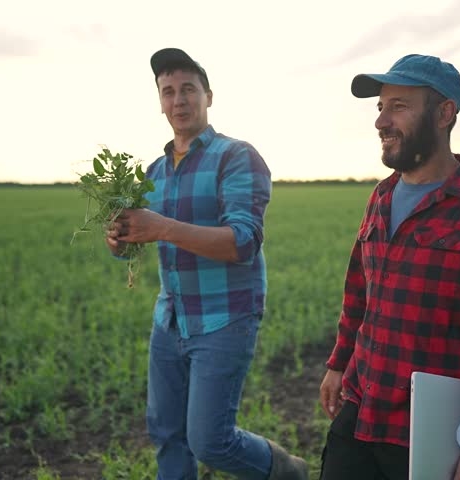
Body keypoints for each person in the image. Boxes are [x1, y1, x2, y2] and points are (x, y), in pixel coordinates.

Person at [317, 54, 460, 480]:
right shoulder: (381, 198)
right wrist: (338, 362)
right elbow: (359, 295)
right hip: (361, 410)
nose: (382, 121)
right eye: (380, 107)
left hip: (430, 436)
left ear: (444, 113)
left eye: (398, 106)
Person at [106, 47, 308, 480]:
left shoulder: (236, 157)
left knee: (210, 441)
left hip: (225, 317)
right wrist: (120, 240)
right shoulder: (154, 172)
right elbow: (140, 237)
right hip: (171, 318)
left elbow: (242, 242)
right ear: (160, 102)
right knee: (166, 433)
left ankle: (287, 471)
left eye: (188, 90)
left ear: (209, 96)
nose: (179, 100)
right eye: (168, 91)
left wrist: (161, 226)